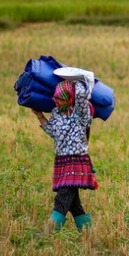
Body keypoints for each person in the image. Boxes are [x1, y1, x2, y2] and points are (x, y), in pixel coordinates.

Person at [31, 67, 98, 232]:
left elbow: (81, 97)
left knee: (62, 199)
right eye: (56, 98)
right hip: (62, 161)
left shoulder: (80, 114)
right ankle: (88, 233)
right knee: (74, 203)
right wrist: (39, 116)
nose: (56, 101)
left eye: (60, 99)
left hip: (76, 161)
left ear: (69, 98)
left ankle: (48, 235)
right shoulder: (56, 113)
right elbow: (53, 132)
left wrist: (78, 80)